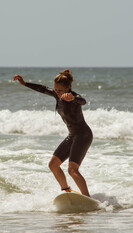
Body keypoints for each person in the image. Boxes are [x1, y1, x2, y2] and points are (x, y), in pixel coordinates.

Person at [13, 69, 93, 197]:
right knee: (53, 165)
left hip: (83, 135)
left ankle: (88, 198)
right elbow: (42, 88)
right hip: (72, 135)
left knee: (72, 170)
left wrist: (73, 98)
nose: (57, 92)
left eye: (60, 90)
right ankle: (67, 191)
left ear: (69, 87)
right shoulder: (57, 94)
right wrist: (24, 83)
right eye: (56, 89)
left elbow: (83, 101)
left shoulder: (74, 97)